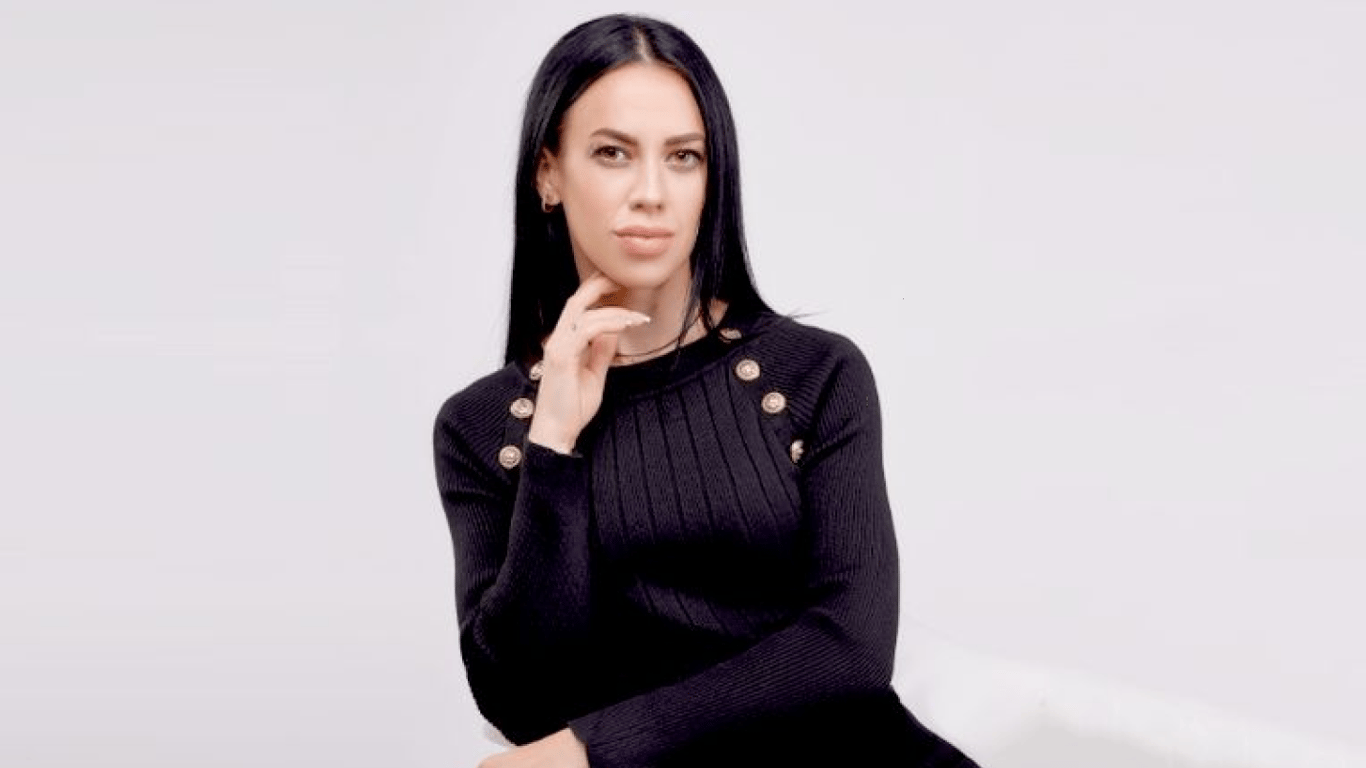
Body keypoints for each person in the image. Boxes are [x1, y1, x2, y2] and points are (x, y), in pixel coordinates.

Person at [432, 13, 981, 768]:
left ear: (711, 180)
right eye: (613, 153)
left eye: (684, 157)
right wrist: (552, 446)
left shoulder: (813, 376)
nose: (651, 193)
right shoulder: (482, 428)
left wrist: (600, 749)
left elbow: (849, 649)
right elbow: (520, 701)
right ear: (548, 175)